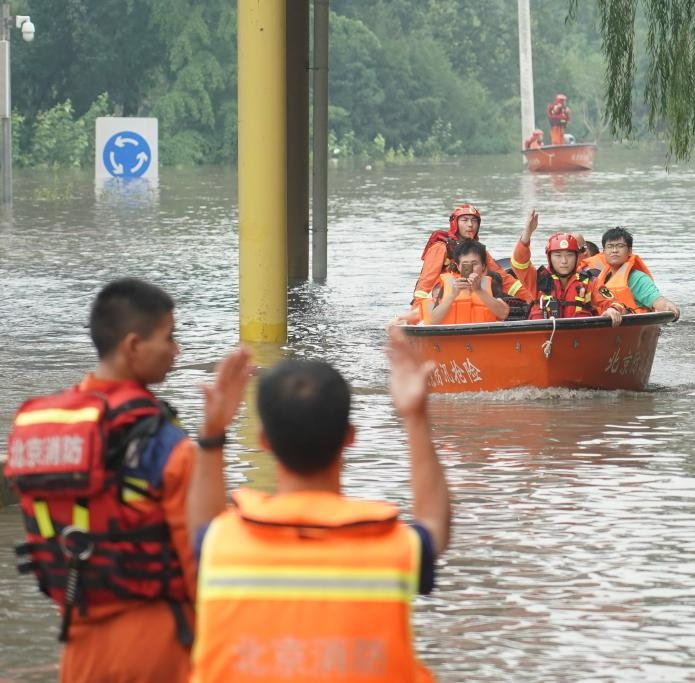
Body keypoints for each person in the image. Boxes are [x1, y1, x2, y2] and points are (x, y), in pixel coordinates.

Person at [3, 277, 236, 682]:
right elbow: (204, 557)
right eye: (169, 336)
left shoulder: (39, 428)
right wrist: (213, 439)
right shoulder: (162, 443)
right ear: (133, 346)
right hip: (162, 645)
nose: (176, 350)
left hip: (79, 645)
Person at [188, 325, 450, 682]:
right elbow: (435, 524)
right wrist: (415, 418)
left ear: (264, 441)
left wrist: (212, 434)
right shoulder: (393, 548)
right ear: (350, 438)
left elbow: (203, 529)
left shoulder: (222, 546)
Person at [511, 211, 622, 326]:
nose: (564, 261)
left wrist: (613, 310)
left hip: (578, 338)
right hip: (543, 339)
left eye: (569, 255)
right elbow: (519, 262)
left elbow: (614, 302)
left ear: (577, 257)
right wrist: (527, 234)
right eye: (558, 255)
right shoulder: (537, 280)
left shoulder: (589, 282)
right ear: (549, 257)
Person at [411, 204, 529, 311]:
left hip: (474, 296)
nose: (470, 225)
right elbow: (425, 283)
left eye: (474, 221)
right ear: (455, 223)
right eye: (465, 220)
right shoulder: (440, 248)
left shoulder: (478, 250)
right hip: (443, 299)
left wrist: (531, 298)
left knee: (495, 278)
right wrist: (418, 310)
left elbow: (505, 279)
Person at [594, 226, 681, 318]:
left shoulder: (638, 279)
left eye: (620, 246)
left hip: (632, 325)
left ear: (630, 251)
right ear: (604, 252)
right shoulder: (598, 279)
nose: (614, 250)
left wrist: (669, 306)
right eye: (610, 246)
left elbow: (657, 300)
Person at [423, 241, 509, 324]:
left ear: (483, 266)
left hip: (482, 335)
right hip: (454, 336)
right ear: (458, 267)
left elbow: (503, 314)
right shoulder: (448, 285)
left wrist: (479, 290)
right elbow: (432, 321)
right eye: (465, 264)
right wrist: (452, 295)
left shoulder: (491, 283)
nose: (470, 269)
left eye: (474, 264)